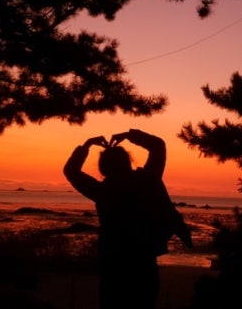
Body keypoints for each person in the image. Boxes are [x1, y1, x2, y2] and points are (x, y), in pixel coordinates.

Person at [63, 128, 192, 309]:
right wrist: (130, 135)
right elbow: (158, 146)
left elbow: (71, 171)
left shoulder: (103, 191)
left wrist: (87, 145)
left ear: (103, 168)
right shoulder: (147, 180)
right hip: (144, 260)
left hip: (113, 263)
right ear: (128, 161)